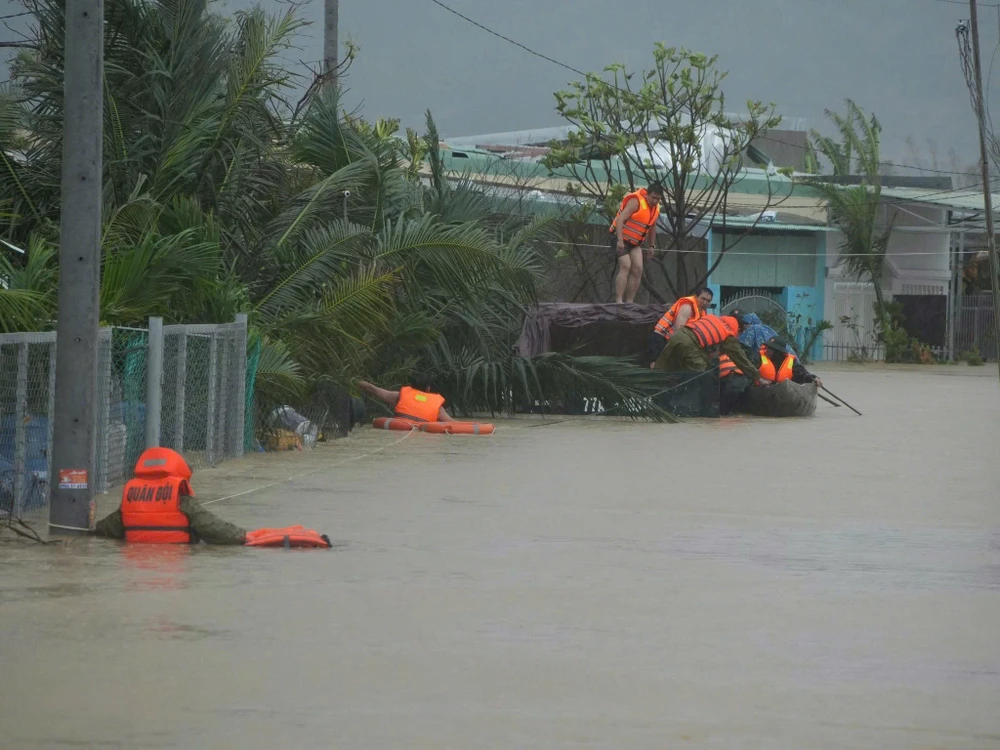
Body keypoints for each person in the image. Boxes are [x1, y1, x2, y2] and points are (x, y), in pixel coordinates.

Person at [94, 447, 330, 547]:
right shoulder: (180, 499)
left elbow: (109, 528)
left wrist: (91, 529)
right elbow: (211, 526)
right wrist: (242, 537)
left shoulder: (131, 496)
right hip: (178, 554)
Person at [654, 313, 762, 382]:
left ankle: (647, 399)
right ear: (739, 329)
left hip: (677, 336)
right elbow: (740, 358)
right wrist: (757, 377)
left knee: (661, 371)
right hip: (689, 344)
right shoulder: (729, 334)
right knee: (702, 375)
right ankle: (694, 409)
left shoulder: (714, 318)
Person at [610, 182, 664, 304]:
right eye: (653, 197)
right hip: (620, 238)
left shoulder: (656, 209)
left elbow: (652, 227)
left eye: (658, 199)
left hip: (635, 242)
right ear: (647, 195)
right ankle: (618, 300)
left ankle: (629, 301)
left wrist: (651, 246)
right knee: (625, 265)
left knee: (638, 269)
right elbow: (620, 220)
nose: (655, 201)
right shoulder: (636, 202)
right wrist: (619, 240)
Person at [647, 287, 714, 367]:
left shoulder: (701, 312)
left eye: (708, 301)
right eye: (703, 299)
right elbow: (679, 331)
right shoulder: (687, 307)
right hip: (660, 339)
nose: (705, 302)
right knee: (656, 365)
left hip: (672, 341)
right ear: (696, 297)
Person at [357, 373, 455, 423]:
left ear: (411, 386)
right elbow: (453, 424)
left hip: (399, 429)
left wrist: (353, 382)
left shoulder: (398, 397)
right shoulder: (438, 409)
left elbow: (373, 389)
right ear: (428, 388)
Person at [757, 336, 823, 387]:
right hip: (762, 389)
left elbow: (803, 374)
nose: (766, 350)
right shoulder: (759, 358)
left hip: (783, 392)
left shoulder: (790, 362)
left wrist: (814, 378)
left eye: (769, 348)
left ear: (776, 351)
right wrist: (760, 379)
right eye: (766, 347)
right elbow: (750, 371)